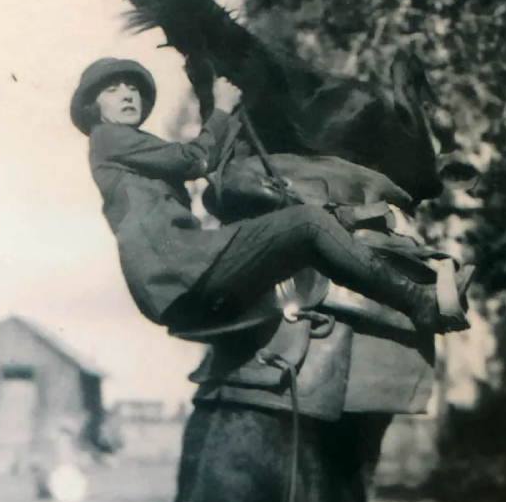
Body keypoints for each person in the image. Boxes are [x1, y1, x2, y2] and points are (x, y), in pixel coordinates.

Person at [70, 57, 470, 335]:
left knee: (297, 239)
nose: (127, 95)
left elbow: (203, 160)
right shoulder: (108, 138)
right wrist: (222, 109)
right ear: (93, 107)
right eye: (112, 90)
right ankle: (420, 302)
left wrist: (228, 116)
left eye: (133, 89)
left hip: (173, 282)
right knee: (308, 224)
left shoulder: (135, 146)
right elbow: (195, 160)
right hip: (180, 268)